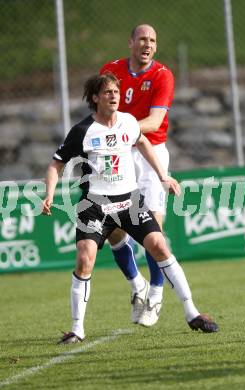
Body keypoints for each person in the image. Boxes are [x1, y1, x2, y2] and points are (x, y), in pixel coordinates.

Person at [42, 73, 219, 344]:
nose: (114, 96)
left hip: (129, 202)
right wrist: (49, 195)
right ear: (95, 98)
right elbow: (56, 163)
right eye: (108, 92)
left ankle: (192, 312)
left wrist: (163, 175)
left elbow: (143, 142)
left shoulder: (128, 122)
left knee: (159, 245)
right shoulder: (82, 131)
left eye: (116, 91)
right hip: (94, 205)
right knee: (85, 258)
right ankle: (77, 329)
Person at [99, 24, 174, 327]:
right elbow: (99, 108)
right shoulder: (111, 70)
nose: (147, 44)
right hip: (115, 153)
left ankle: (155, 293)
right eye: (142, 39)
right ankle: (137, 285)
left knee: (152, 231)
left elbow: (155, 122)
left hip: (151, 152)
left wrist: (120, 129)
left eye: (153, 40)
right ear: (130, 42)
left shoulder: (162, 75)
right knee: (114, 229)